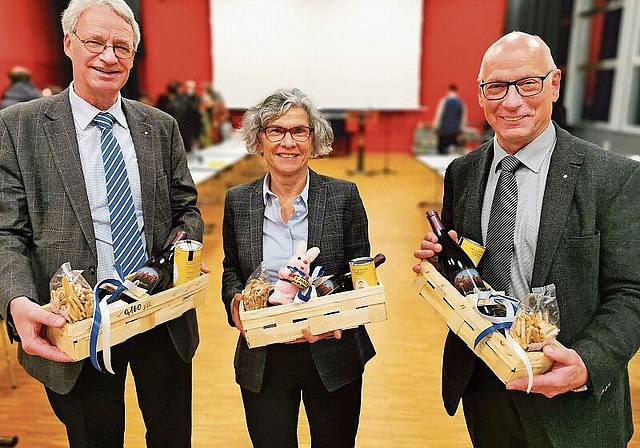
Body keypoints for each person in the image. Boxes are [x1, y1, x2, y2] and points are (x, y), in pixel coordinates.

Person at [413, 31, 640, 448]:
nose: (511, 101)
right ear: (480, 95)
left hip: (574, 401)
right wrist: (442, 263)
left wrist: (588, 364)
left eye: (527, 84)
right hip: (485, 382)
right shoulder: (462, 173)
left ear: (554, 84)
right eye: (496, 87)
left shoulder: (612, 177)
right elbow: (468, 272)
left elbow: (632, 292)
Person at [0, 1, 205, 447]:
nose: (109, 56)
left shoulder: (160, 125)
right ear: (69, 43)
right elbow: (6, 232)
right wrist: (16, 299)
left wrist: (179, 254)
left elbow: (185, 210)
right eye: (95, 42)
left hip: (158, 315)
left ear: (134, 56)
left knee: (172, 437)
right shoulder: (18, 127)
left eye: (122, 47)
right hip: (77, 328)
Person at [222, 88, 376, 448]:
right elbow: (232, 270)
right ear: (259, 140)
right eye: (275, 131)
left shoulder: (343, 195)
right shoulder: (238, 200)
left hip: (331, 353)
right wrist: (235, 302)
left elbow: (360, 273)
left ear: (313, 138)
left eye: (299, 131)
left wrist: (328, 314)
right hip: (263, 354)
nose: (287, 142)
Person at [432, 84, 467, 154]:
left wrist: (435, 127)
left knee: (441, 153)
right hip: (454, 133)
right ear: (456, 91)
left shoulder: (444, 101)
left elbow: (439, 115)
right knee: (453, 154)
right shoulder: (461, 103)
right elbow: (463, 119)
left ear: (448, 90)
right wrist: (461, 131)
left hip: (443, 132)